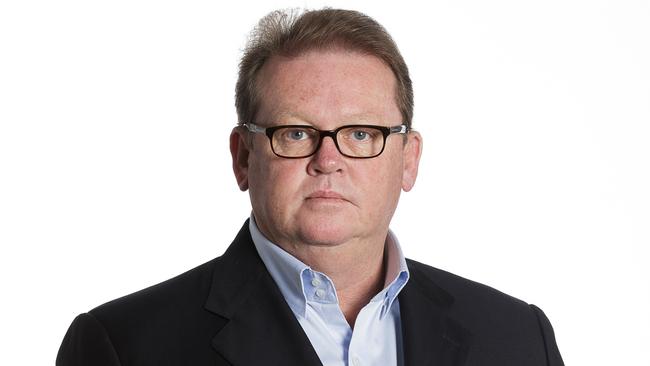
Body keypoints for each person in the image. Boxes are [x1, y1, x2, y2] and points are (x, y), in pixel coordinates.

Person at [56, 8, 564, 366]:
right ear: (243, 158)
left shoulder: (518, 337)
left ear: (408, 161)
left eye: (361, 134)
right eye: (295, 133)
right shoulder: (123, 347)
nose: (328, 160)